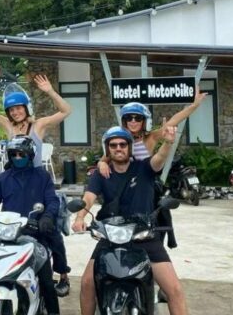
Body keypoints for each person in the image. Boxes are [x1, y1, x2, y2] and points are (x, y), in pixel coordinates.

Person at [72, 126, 188, 315]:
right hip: (111, 237)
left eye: (123, 144)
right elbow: (89, 197)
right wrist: (79, 217)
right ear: (107, 149)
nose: (118, 148)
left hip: (144, 237)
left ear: (130, 147)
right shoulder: (101, 174)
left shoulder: (144, 168)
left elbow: (160, 158)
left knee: (174, 290)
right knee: (86, 284)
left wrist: (168, 142)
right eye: (113, 145)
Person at [0, 66, 72, 295]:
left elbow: (65, 111)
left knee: (51, 233)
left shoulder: (37, 125)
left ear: (26, 108)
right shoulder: (8, 126)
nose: (15, 112)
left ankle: (62, 274)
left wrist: (50, 91)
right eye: (11, 109)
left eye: (19, 108)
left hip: (38, 182)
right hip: (14, 182)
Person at [0, 135, 62, 315]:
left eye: (22, 154)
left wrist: (47, 217)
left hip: (35, 234)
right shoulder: (2, 178)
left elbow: (52, 200)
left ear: (30, 155)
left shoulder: (42, 177)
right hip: (8, 236)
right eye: (14, 154)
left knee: (47, 282)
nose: (18, 158)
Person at [98, 88, 206, 175]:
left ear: (144, 121)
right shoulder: (118, 140)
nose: (133, 121)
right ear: (124, 121)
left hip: (145, 183)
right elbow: (103, 160)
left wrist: (194, 105)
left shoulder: (151, 137)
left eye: (138, 118)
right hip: (123, 185)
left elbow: (174, 121)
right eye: (128, 118)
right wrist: (102, 165)